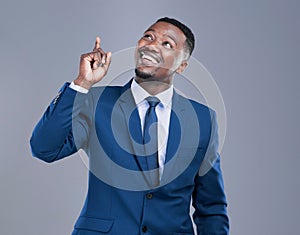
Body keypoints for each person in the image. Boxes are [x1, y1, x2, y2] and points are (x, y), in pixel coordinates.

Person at [30, 17, 229, 235]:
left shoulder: (202, 119)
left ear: (181, 66)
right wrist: (82, 84)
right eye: (148, 36)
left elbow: (211, 207)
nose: (152, 45)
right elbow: (44, 148)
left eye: (167, 44)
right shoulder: (97, 102)